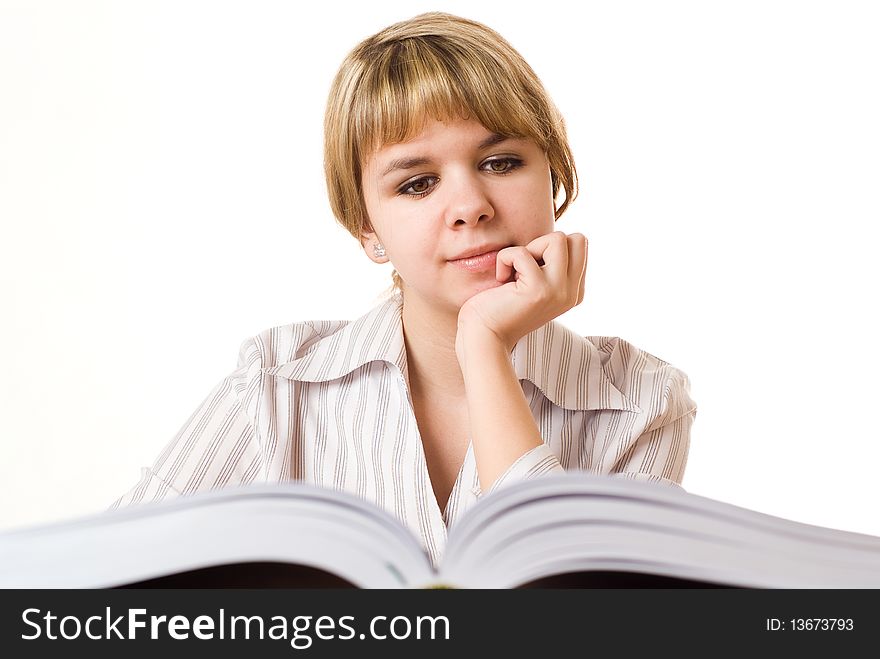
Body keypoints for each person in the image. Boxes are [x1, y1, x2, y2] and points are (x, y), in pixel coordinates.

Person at [112, 11, 697, 567]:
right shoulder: (276, 385)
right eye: (418, 184)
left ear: (554, 177)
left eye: (500, 162)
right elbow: (93, 585)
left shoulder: (642, 402)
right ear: (368, 229)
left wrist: (485, 346)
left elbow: (563, 619)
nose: (470, 207)